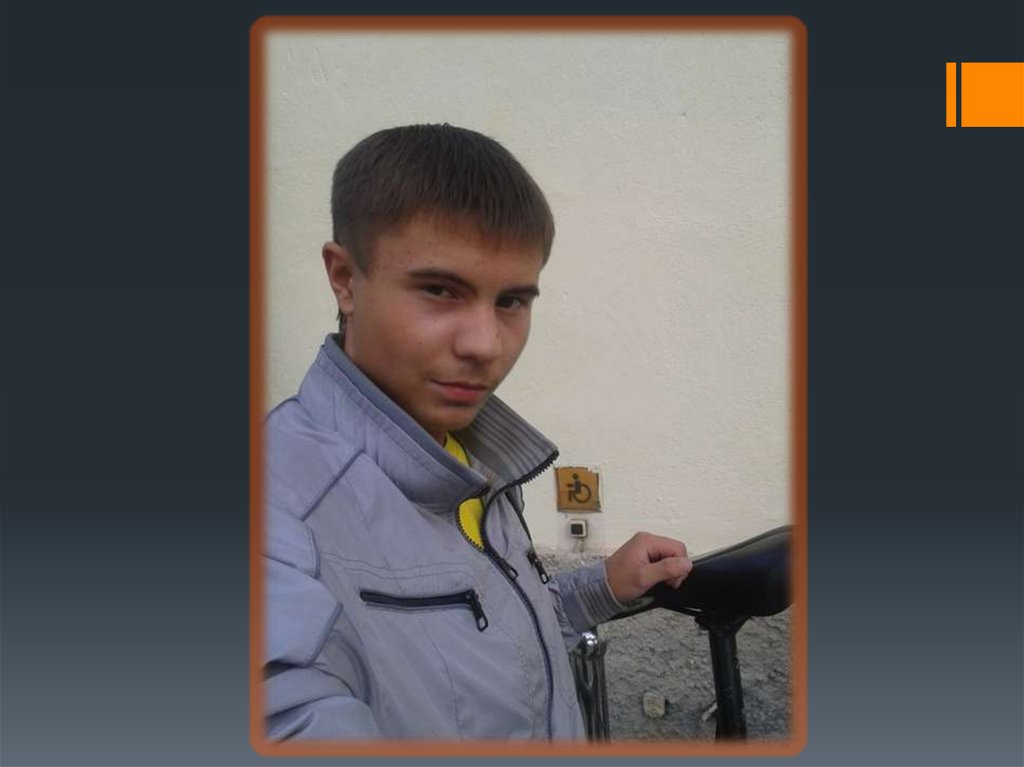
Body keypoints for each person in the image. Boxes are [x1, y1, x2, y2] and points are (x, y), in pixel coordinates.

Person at [263, 124, 692, 740]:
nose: (486, 345)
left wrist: (599, 589)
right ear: (345, 279)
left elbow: (485, 643)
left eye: (511, 302)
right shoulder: (277, 516)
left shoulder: (467, 459)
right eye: (440, 290)